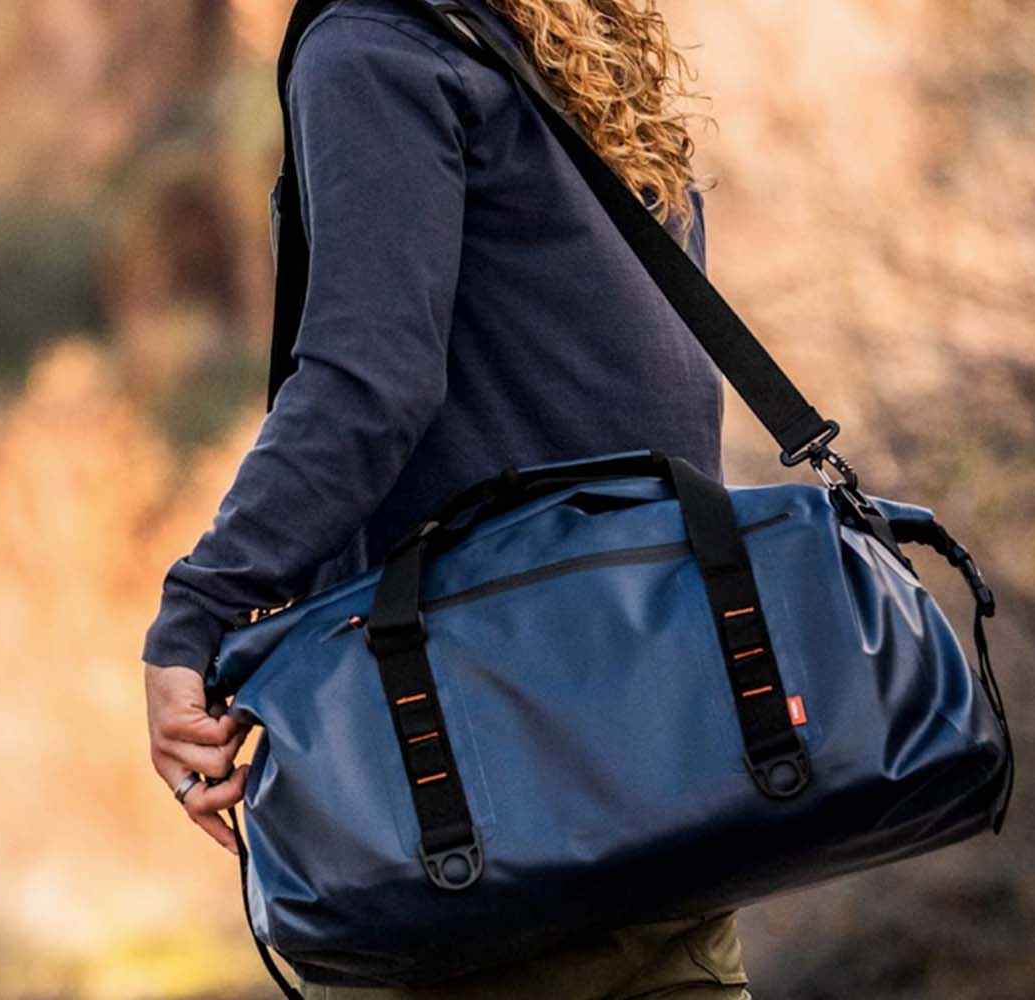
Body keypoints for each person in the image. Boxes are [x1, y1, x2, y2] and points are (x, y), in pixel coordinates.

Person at [141, 0, 751, 996]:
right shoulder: (565, 32)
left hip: (468, 812)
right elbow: (660, 396)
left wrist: (200, 612)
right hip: (662, 778)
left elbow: (367, 385)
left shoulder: (373, 44)